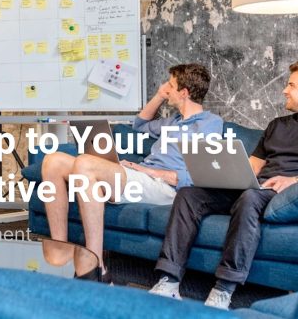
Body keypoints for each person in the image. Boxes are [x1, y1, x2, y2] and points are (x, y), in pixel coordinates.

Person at [42, 63, 222, 283]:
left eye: (170, 85)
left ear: (184, 93)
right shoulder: (172, 121)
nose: (165, 88)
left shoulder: (209, 124)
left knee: (85, 164)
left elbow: (199, 175)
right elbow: (139, 124)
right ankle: (60, 247)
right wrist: (159, 96)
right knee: (53, 161)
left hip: (165, 188)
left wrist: (151, 171)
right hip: (143, 177)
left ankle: (96, 266)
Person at [150, 61, 298, 310]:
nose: (284, 90)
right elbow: (253, 166)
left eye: (291, 85)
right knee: (188, 194)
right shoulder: (277, 125)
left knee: (249, 197)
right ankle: (169, 281)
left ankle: (223, 289)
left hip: (283, 193)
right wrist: (228, 174)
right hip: (256, 187)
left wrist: (293, 180)